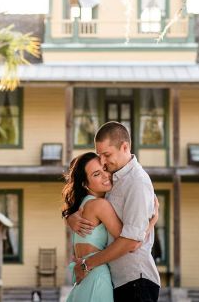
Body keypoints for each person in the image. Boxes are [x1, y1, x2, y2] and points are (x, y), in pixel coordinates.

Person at [67, 121, 161, 302]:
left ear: (124, 147)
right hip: (117, 280)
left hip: (135, 279)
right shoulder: (114, 180)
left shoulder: (137, 182)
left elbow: (131, 242)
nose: (103, 161)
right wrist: (70, 217)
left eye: (106, 154)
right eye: (99, 155)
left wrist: (87, 264)